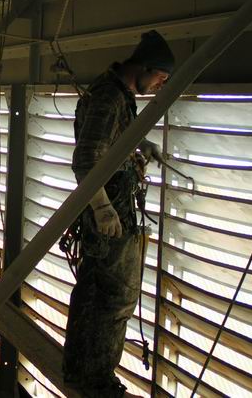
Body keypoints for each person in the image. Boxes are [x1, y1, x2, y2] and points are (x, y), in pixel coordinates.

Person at [63, 30, 174, 398]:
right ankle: (97, 381)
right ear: (144, 67)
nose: (159, 86)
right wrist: (103, 208)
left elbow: (109, 138)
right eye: (160, 78)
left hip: (108, 206)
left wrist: (140, 143)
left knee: (93, 288)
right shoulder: (110, 97)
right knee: (117, 296)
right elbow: (86, 158)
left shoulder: (113, 92)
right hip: (110, 211)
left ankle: (78, 370)